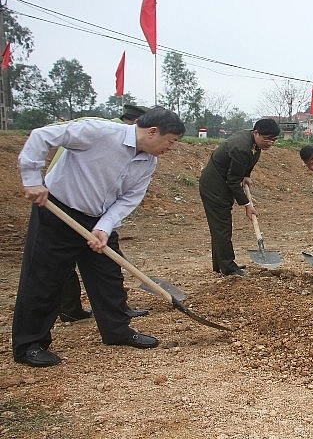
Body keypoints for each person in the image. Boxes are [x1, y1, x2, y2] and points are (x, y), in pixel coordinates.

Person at [13, 107, 185, 367]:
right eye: (170, 141)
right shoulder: (100, 132)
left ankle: (117, 331)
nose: (171, 148)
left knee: (109, 277)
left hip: (99, 220)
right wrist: (31, 178)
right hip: (58, 211)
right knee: (44, 279)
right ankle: (30, 345)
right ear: (152, 132)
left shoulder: (148, 162)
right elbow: (42, 136)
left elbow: (128, 199)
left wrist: (104, 227)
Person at [58, 103, 151, 322]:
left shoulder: (136, 149)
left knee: (100, 259)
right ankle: (72, 309)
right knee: (66, 262)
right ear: (138, 124)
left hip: (93, 207)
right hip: (69, 201)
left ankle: (79, 310)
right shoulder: (104, 133)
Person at [199, 118, 281, 276]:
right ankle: (228, 268)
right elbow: (233, 181)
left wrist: (247, 174)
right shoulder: (241, 147)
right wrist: (247, 204)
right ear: (256, 133)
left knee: (219, 228)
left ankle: (220, 265)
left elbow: (248, 162)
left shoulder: (253, 142)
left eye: (274, 139)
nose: (270, 142)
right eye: (267, 138)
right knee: (222, 228)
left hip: (222, 183)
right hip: (214, 187)